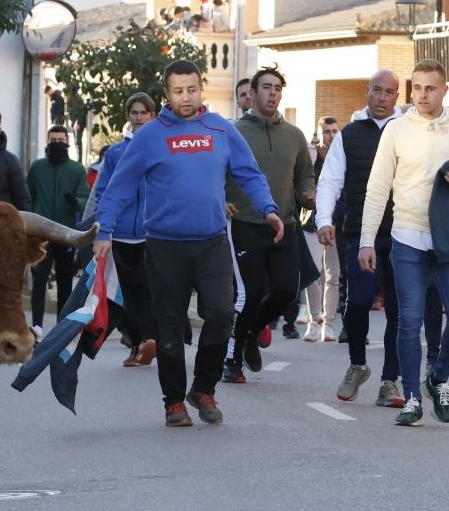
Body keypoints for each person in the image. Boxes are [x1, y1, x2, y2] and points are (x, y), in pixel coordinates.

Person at [93, 61, 282, 428]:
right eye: (178, 91)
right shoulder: (150, 135)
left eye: (192, 89)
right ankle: (174, 401)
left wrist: (268, 209)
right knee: (168, 326)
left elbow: (248, 173)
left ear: (201, 88)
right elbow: (120, 185)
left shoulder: (220, 129)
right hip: (164, 245)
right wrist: (105, 231)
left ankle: (204, 388)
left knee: (222, 313)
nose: (186, 97)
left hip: (211, 242)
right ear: (167, 94)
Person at [356, 60, 449, 423]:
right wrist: (366, 241)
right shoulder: (397, 130)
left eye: (429, 88)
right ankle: (414, 396)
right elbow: (376, 189)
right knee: (408, 321)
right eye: (416, 87)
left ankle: (438, 378)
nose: (421, 95)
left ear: (445, 90)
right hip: (407, 238)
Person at [316, 71, 407, 406]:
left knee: (398, 309)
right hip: (359, 232)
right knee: (357, 302)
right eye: (377, 91)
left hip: (402, 233)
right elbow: (330, 180)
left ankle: (390, 382)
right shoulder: (349, 134)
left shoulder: (409, 132)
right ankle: (358, 363)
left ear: (397, 97)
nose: (382, 98)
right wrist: (324, 219)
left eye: (389, 93)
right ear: (367, 92)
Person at [228, 66, 317, 376]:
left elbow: (305, 174)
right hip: (245, 222)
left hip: (284, 223)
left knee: (285, 290)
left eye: (277, 88)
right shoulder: (235, 131)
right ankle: (233, 359)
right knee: (249, 293)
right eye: (266, 87)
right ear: (252, 93)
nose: (272, 93)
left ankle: (251, 332)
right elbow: (217, 171)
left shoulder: (294, 135)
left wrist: (308, 193)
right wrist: (221, 200)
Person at [86, 93, 158, 366]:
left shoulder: (160, 148)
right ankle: (141, 343)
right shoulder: (115, 153)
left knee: (149, 291)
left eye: (144, 112)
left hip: (153, 233)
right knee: (126, 294)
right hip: (122, 234)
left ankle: (149, 341)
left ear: (152, 115)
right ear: (127, 115)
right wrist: (98, 226)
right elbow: (102, 191)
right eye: (134, 112)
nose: (138, 117)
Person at [26, 125, 90, 329]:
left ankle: (61, 327)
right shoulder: (37, 168)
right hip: (40, 234)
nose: (57, 144)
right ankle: (36, 326)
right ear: (48, 142)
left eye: (61, 140)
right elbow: (28, 196)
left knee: (65, 283)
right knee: (39, 282)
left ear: (67, 142)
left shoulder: (77, 169)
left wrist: (75, 202)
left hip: (65, 233)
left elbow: (86, 199)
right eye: (53, 140)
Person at [302, 117, 343, 342]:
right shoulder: (312, 155)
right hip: (313, 221)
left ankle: (328, 323)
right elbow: (303, 181)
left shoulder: (342, 155)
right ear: (319, 133)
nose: (331, 135)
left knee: (333, 275)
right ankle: (313, 320)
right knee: (312, 273)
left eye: (335, 131)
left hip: (337, 222)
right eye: (326, 131)